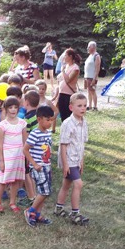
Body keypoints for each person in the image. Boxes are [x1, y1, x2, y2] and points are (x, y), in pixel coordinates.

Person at [54, 92, 90, 225]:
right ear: (71, 107)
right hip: (68, 159)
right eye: (79, 106)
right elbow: (63, 145)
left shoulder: (84, 122)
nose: (83, 108)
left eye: (85, 105)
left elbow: (81, 144)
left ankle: (58, 208)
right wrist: (65, 164)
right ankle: (75, 214)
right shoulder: (67, 123)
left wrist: (81, 161)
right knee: (78, 184)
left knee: (66, 184)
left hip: (76, 159)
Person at [0, 96, 27, 213]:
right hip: (6, 156)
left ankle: (12, 202)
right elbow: (0, 144)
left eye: (15, 107)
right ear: (6, 108)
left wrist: (27, 156)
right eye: (10, 107)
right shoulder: (3, 125)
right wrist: (1, 161)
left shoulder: (22, 123)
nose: (13, 110)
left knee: (15, 181)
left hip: (18, 156)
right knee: (3, 180)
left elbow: (25, 141)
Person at [24, 105, 55, 227]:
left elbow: (46, 149)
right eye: (47, 120)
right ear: (39, 119)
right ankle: (30, 211)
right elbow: (25, 150)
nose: (50, 122)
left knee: (43, 192)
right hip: (38, 167)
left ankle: (37, 214)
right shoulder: (35, 134)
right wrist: (34, 164)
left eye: (51, 120)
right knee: (45, 192)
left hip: (46, 166)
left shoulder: (48, 133)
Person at [56, 48, 82, 122]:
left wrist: (63, 71)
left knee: (69, 115)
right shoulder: (66, 66)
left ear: (70, 56)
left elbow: (68, 80)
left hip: (69, 95)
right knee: (63, 114)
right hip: (61, 93)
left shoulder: (75, 68)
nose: (64, 57)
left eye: (65, 55)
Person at [84, 41, 102, 111]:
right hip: (87, 76)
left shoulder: (96, 56)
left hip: (92, 77)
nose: (87, 48)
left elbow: (97, 68)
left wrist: (94, 79)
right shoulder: (90, 56)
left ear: (93, 47)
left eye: (89, 47)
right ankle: (89, 105)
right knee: (89, 91)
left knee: (93, 91)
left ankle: (95, 106)